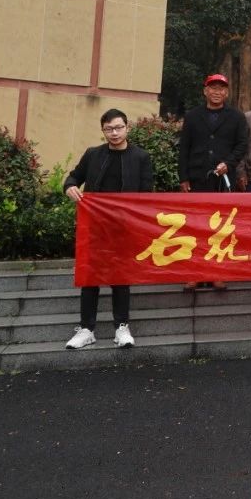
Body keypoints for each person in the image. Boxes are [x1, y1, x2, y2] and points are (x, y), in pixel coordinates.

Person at [63, 109, 153, 350]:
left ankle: (121, 327)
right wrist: (70, 187)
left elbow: (147, 195)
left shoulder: (141, 157)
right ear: (103, 131)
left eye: (118, 127)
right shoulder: (93, 155)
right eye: (109, 129)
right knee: (90, 277)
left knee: (120, 277)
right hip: (94, 227)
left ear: (127, 127)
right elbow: (72, 178)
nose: (114, 133)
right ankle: (86, 329)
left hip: (124, 228)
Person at [177, 73, 247, 291]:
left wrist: (229, 163)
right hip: (198, 178)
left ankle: (217, 272)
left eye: (221, 88)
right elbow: (184, 148)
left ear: (227, 92)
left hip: (223, 180)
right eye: (213, 87)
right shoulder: (193, 115)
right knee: (196, 227)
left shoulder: (236, 117)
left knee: (221, 228)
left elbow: (242, 145)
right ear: (205, 90)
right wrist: (183, 177)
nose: (217, 92)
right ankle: (195, 273)